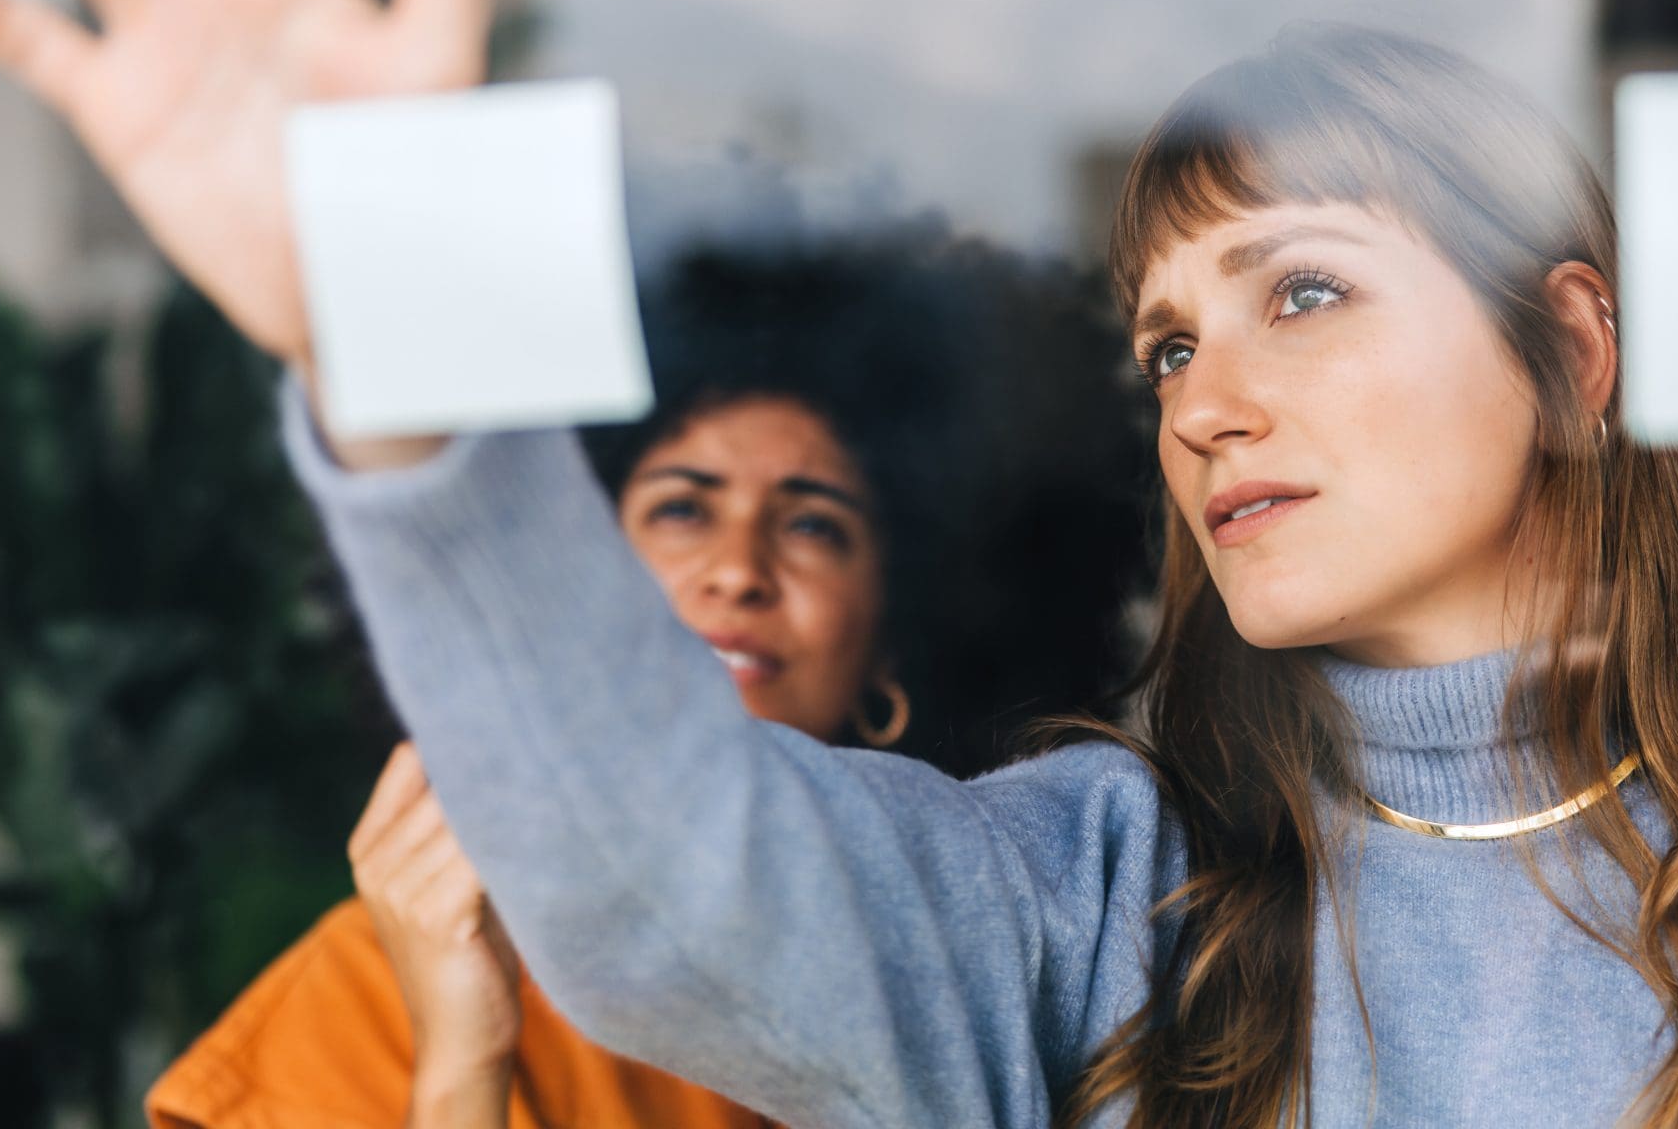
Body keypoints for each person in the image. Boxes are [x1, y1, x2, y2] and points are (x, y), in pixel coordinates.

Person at [0, 0, 1678, 1128]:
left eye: (1299, 289)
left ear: (1570, 350)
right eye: (1159, 345)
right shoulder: (1087, 891)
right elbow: (656, 876)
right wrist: (391, 345)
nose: (1207, 395)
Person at [141, 236, 1151, 1129]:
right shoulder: (367, 990)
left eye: (812, 525)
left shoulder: (1006, 965)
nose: (738, 567)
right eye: (681, 509)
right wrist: (461, 1057)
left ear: (893, 656)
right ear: (579, 596)